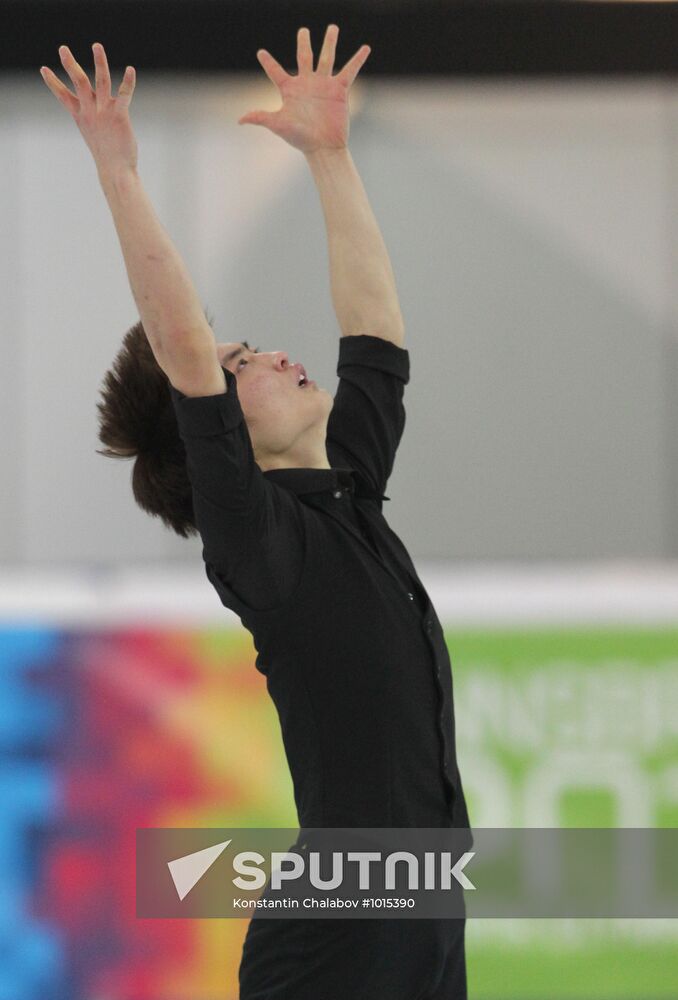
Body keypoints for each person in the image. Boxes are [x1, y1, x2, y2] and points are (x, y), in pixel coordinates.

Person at [41, 25, 471, 999]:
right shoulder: (263, 544)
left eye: (258, 348)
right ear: (217, 434)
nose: (274, 354)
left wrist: (329, 157)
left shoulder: (348, 484)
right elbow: (182, 345)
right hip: (339, 941)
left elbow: (375, 331)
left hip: (424, 916)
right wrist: (119, 171)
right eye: (245, 365)